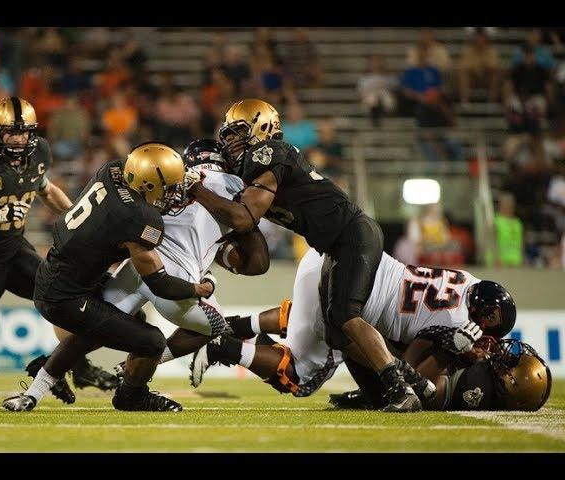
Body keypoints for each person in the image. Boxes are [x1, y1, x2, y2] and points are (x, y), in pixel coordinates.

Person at [185, 99, 425, 411]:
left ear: (263, 128)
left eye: (238, 132)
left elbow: (244, 218)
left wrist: (197, 190)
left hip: (352, 234)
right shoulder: (251, 165)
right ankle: (410, 381)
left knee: (346, 318)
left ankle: (401, 391)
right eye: (227, 135)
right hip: (334, 245)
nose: (230, 141)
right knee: (337, 332)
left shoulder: (268, 152)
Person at [2, 142, 215, 412]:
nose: (173, 194)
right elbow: (160, 284)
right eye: (169, 187)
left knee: (116, 321)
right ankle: (133, 397)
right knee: (152, 341)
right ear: (148, 185)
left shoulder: (113, 169)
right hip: (66, 296)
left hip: (57, 275)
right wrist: (200, 287)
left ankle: (36, 388)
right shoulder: (140, 217)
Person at [0, 97, 117, 403]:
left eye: (23, 132)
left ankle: (72, 368)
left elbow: (46, 189)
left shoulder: (39, 153)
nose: (17, 138)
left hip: (14, 249)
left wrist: (78, 218)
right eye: (10, 132)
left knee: (61, 302)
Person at [191, 248, 516, 406]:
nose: (486, 345)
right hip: (350, 292)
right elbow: (408, 372)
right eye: (487, 336)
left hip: (337, 262)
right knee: (300, 379)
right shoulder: (457, 321)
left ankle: (237, 325)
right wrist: (448, 353)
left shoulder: (470, 282)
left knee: (316, 322)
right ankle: (227, 347)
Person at [101, 139, 269, 366]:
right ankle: (141, 367)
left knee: (94, 326)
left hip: (139, 262)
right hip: (177, 279)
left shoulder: (167, 175)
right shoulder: (234, 184)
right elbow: (258, 263)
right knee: (216, 327)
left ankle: (46, 376)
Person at [330, 338, 551, 412]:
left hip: (394, 386)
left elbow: (422, 387)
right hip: (402, 373)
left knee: (348, 338)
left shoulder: (478, 388)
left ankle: (367, 394)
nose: (505, 357)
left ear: (511, 385)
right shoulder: (489, 378)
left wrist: (450, 350)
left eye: (511, 364)